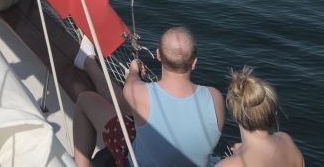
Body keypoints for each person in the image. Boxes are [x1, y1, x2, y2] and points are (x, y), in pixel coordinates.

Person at [71, 26, 224, 167]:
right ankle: (88, 63)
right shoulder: (215, 97)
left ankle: (89, 63)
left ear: (158, 55)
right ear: (194, 62)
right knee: (134, 112)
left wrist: (133, 69)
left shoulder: (141, 93)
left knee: (86, 99)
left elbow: (131, 83)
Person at [218, 67, 303, 167]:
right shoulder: (286, 141)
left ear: (235, 115)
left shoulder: (229, 165)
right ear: (274, 112)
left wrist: (234, 159)